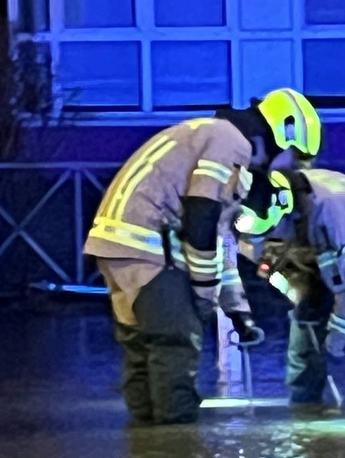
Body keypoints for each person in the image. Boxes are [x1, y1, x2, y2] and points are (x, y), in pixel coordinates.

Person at [84, 89, 321, 425]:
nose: (288, 167)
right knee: (176, 343)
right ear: (285, 133)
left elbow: (221, 239)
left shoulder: (214, 139)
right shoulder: (229, 141)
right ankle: (177, 455)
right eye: (293, 156)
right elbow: (202, 213)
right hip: (148, 246)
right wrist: (203, 290)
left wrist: (238, 311)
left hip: (119, 244)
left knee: (143, 350)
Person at [236, 168, 345, 417]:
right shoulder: (243, 207)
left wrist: (335, 343)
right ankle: (304, 401)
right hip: (315, 244)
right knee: (305, 320)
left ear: (282, 207)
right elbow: (259, 258)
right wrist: (297, 293)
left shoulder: (335, 215)